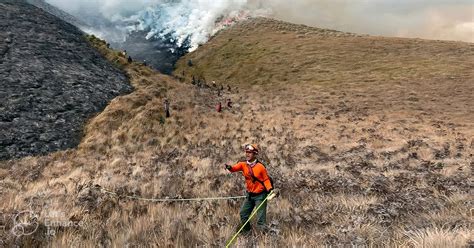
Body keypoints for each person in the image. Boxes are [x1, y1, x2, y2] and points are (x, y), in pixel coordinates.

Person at [225, 144, 279, 233]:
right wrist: (229, 167)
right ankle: (247, 233)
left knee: (261, 221)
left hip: (260, 196)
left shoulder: (260, 167)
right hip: (249, 195)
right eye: (246, 152)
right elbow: (234, 168)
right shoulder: (243, 165)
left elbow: (266, 179)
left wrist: (270, 190)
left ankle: (265, 239)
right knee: (243, 214)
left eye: (250, 152)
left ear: (255, 154)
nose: (247, 154)